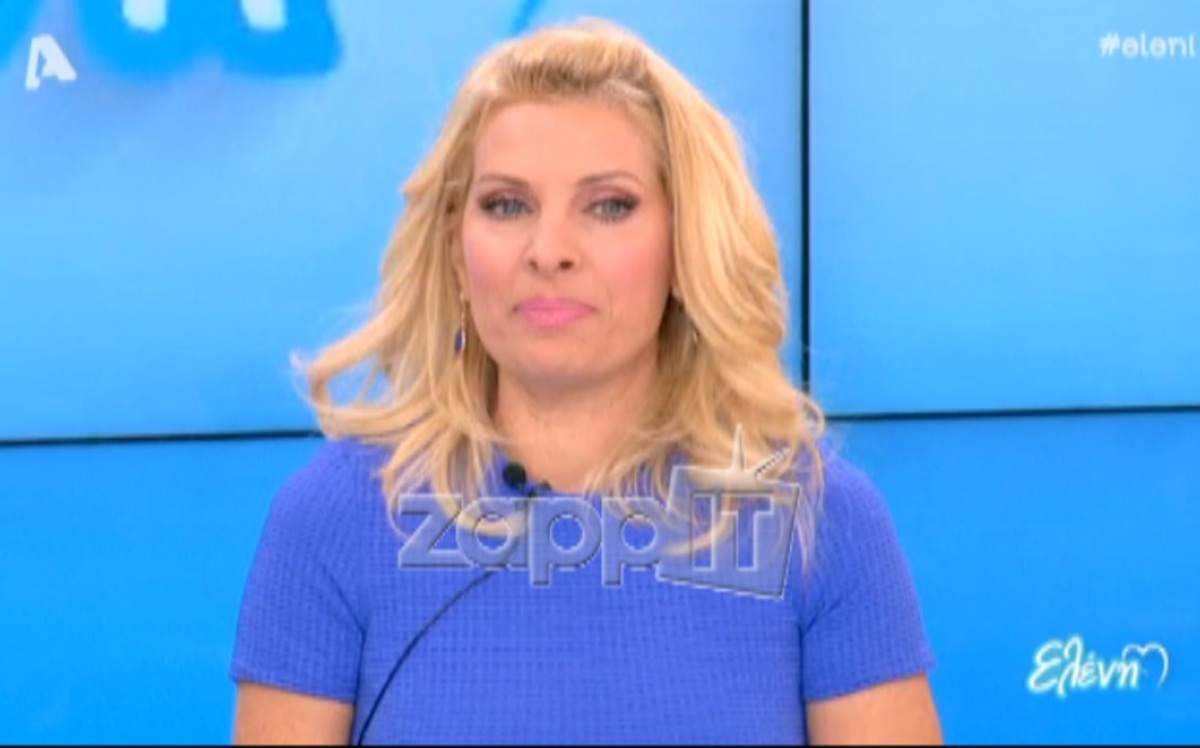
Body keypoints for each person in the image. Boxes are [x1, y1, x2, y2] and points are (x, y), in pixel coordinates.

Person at [229, 18, 942, 745]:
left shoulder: (818, 520)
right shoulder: (335, 519)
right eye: (507, 205)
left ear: (685, 244)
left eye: (608, 206)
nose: (549, 251)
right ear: (454, 248)